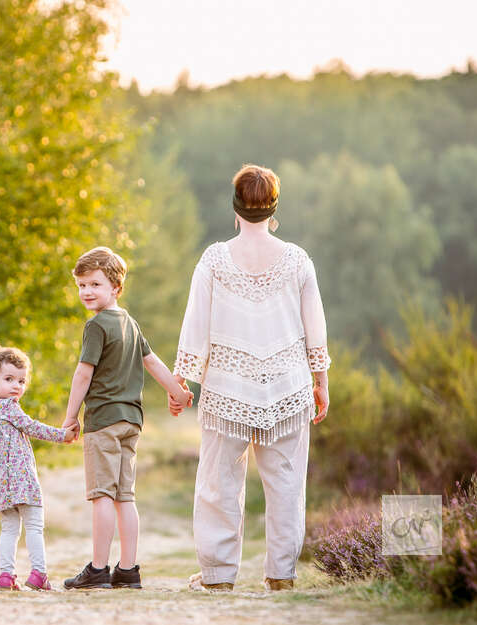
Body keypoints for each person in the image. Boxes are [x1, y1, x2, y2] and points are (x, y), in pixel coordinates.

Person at [170, 164, 330, 592]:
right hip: (288, 386)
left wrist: (182, 379)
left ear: (235, 207)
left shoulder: (214, 259)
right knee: (287, 484)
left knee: (218, 484)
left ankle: (218, 576)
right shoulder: (297, 260)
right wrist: (322, 382)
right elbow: (315, 326)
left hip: (228, 388)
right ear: (274, 208)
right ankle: (281, 575)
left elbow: (195, 323)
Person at [61, 247, 193, 590]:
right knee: (125, 496)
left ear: (116, 287)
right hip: (131, 421)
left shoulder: (96, 325)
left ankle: (98, 570)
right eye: (81, 285)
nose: (87, 292)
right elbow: (153, 363)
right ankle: (129, 569)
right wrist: (178, 393)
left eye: (95, 284)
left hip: (103, 420)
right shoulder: (130, 323)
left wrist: (70, 418)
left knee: (102, 494)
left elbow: (82, 375)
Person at [0, 346, 78, 591]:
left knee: (9, 528)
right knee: (33, 524)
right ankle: (38, 573)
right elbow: (33, 427)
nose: (16, 386)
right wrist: (62, 435)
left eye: (21, 381)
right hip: (20, 479)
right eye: (8, 379)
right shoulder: (9, 407)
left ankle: (6, 575)